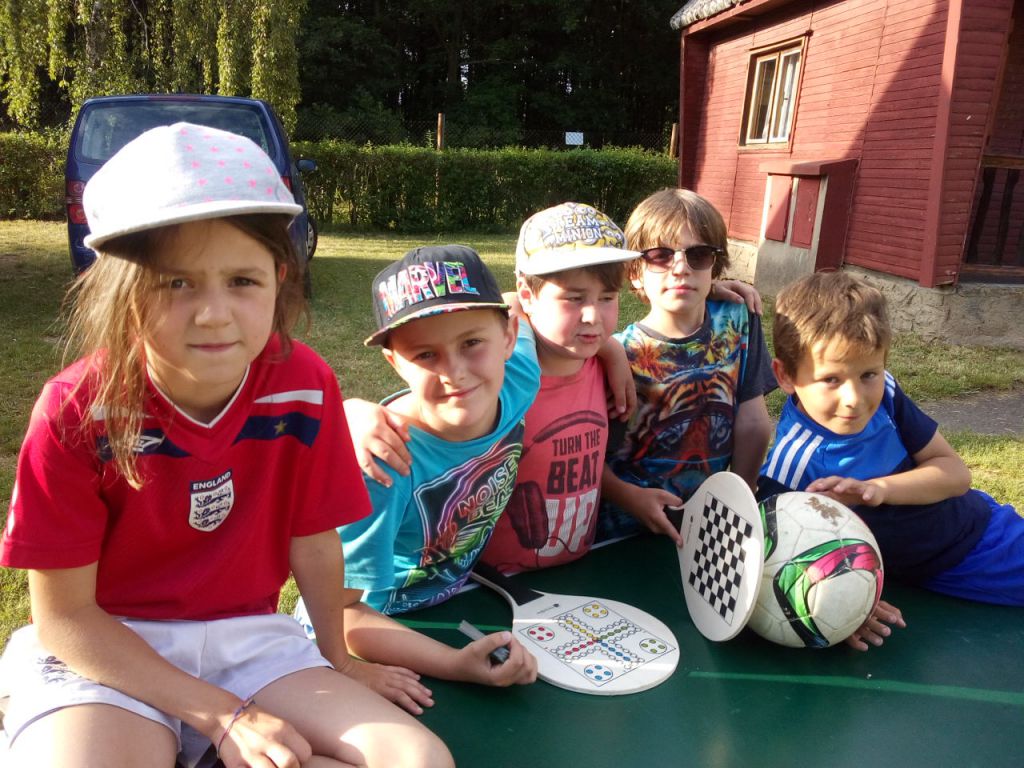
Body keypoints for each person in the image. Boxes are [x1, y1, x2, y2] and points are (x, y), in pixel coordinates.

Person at [0, 123, 451, 768]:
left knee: (416, 759)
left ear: (279, 277)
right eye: (175, 283)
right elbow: (66, 618)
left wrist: (338, 659)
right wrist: (222, 715)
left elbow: (313, 540)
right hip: (109, 651)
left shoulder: (306, 386)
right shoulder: (77, 410)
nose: (214, 313)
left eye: (242, 280)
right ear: (121, 290)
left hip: (251, 644)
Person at [294, 245, 539, 716]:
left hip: (452, 603)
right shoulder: (383, 466)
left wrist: (611, 349)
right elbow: (340, 611)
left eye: (472, 343)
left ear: (508, 337)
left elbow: (515, 301)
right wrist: (454, 664)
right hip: (361, 632)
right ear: (395, 364)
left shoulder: (522, 376)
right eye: (426, 354)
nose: (455, 373)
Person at [758, 270, 1023, 647]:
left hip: (986, 527)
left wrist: (878, 490)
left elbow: (955, 474)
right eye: (831, 379)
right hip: (959, 563)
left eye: (869, 373)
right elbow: (774, 574)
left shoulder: (887, 394)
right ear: (785, 376)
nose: (854, 398)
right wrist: (844, 607)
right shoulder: (788, 472)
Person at [599, 188, 777, 544]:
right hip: (624, 534)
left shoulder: (739, 318)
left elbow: (755, 424)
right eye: (660, 255)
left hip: (713, 525)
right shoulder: (616, 355)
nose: (680, 268)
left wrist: (737, 507)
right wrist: (629, 498)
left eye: (698, 254)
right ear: (635, 272)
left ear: (715, 264)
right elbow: (586, 457)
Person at [478, 202, 641, 573]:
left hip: (578, 569)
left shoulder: (605, 368)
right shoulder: (500, 377)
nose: (593, 315)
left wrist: (612, 350)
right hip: (492, 581)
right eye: (574, 298)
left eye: (607, 298)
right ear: (528, 295)